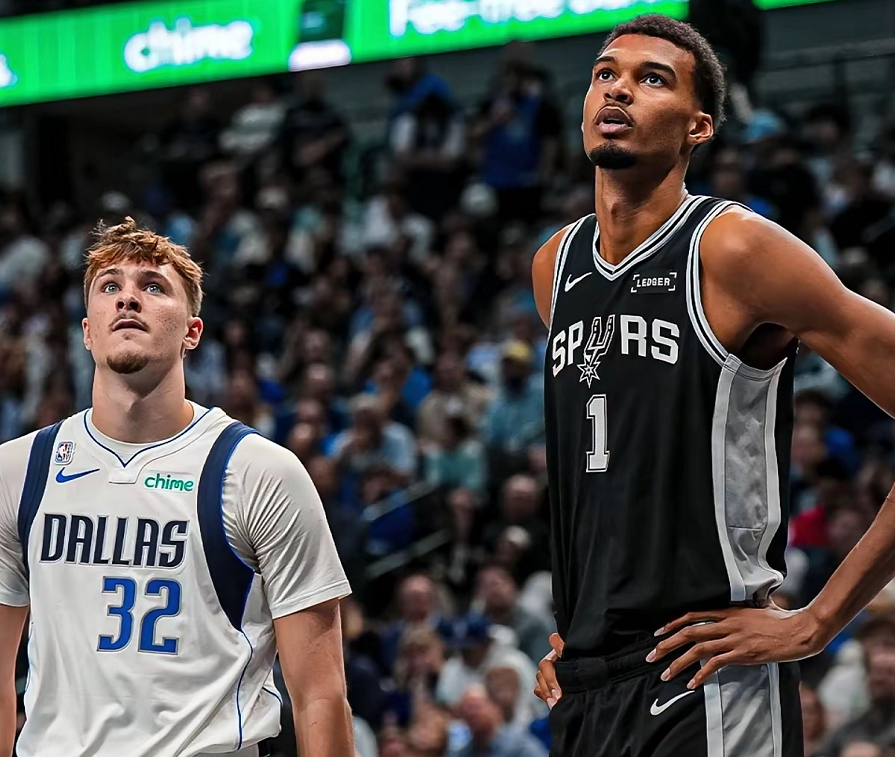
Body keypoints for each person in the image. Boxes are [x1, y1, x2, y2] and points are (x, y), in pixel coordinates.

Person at [530, 14, 895, 757]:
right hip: (585, 684)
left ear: (697, 127)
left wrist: (817, 621)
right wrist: (580, 629)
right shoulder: (554, 266)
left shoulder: (733, 248)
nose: (618, 90)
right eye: (605, 74)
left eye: (651, 79)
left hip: (709, 676)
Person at [0, 218, 354, 757]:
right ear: (87, 331)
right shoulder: (18, 470)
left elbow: (320, 696)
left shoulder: (261, 472)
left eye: (153, 286)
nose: (128, 299)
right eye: (110, 286)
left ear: (192, 331)